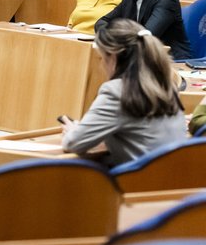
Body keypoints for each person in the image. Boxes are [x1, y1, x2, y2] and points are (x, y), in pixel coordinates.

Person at [61, 19, 186, 167]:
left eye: (102, 58)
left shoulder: (117, 91)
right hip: (173, 183)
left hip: (135, 184)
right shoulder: (165, 85)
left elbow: (73, 143)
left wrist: (74, 130)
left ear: (113, 58)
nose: (102, 65)